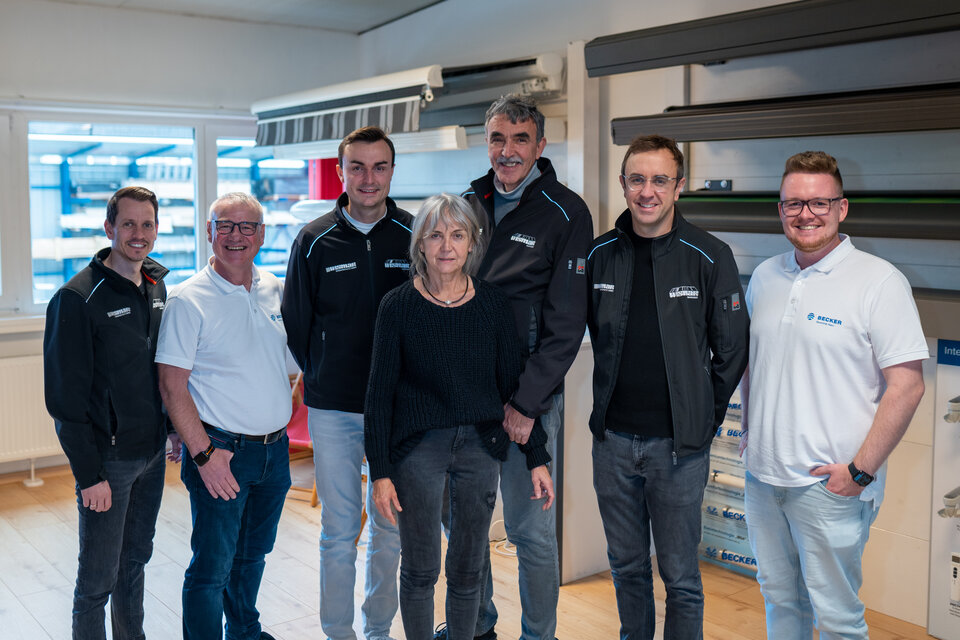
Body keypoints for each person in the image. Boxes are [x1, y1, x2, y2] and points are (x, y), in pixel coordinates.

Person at [742, 151, 928, 639]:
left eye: (819, 202)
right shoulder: (765, 276)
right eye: (793, 204)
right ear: (780, 209)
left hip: (829, 486)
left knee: (838, 617)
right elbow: (753, 363)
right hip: (763, 479)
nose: (806, 214)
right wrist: (748, 433)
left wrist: (860, 471)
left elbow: (907, 385)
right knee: (779, 599)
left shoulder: (879, 281)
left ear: (842, 208)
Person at [365, 193, 555, 640]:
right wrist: (380, 472)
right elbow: (378, 398)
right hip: (417, 452)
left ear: (472, 243)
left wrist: (537, 456)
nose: (446, 245)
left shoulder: (491, 304)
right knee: (420, 568)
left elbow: (512, 388)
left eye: (457, 234)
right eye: (435, 234)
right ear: (420, 245)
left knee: (469, 569)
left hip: (480, 449)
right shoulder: (397, 307)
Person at [585, 134, 749, 639]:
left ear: (679, 187)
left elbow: (732, 351)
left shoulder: (709, 254)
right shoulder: (600, 255)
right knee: (626, 567)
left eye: (660, 180)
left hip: (679, 451)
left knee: (680, 578)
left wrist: (703, 415)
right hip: (612, 444)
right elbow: (592, 332)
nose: (647, 191)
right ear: (623, 184)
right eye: (637, 179)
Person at [457, 93, 592, 640]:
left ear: (540, 144)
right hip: (463, 394)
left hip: (525, 398)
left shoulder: (566, 212)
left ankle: (539, 635)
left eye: (519, 139)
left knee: (528, 529)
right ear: (486, 143)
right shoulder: (468, 204)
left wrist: (526, 403)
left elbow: (567, 324)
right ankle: (480, 626)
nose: (507, 151)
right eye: (497, 138)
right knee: (467, 525)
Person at [282, 126, 411, 640]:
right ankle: (339, 634)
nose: (368, 178)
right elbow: (297, 323)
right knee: (339, 531)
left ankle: (377, 629)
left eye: (379, 167)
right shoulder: (313, 240)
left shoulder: (413, 234)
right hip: (334, 409)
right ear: (341, 171)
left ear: (391, 172)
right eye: (357, 166)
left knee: (391, 529)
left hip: (399, 410)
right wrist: (326, 371)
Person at [156, 192, 292, 640]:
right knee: (212, 567)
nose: (237, 235)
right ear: (209, 232)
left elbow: (286, 365)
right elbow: (172, 386)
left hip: (275, 452)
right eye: (226, 225)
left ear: (262, 235)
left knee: (253, 556)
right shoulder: (187, 300)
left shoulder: (274, 288)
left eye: (247, 226)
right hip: (221, 453)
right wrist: (203, 454)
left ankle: (244, 633)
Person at [43, 186, 175, 640]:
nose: (139, 234)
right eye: (129, 224)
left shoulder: (157, 287)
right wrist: (88, 475)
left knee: (135, 563)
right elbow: (64, 402)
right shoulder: (77, 298)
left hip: (152, 454)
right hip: (108, 465)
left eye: (147, 224)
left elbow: (162, 367)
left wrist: (173, 429)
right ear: (109, 229)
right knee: (97, 581)